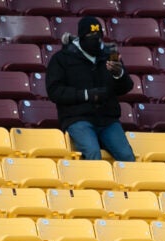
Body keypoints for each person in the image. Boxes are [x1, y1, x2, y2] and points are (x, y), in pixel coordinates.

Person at [46, 16, 136, 161]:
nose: (96, 40)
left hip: (108, 119)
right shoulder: (62, 58)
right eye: (91, 36)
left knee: (127, 156)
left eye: (99, 36)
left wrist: (119, 74)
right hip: (77, 118)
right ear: (81, 37)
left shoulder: (110, 55)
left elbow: (126, 87)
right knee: (93, 153)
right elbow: (54, 91)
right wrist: (86, 95)